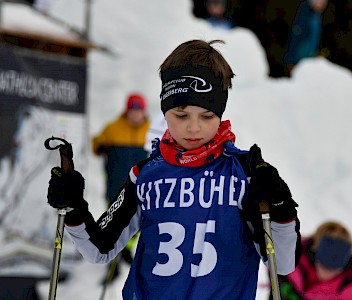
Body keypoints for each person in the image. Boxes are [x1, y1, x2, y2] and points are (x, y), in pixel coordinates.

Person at [47, 39, 301, 299]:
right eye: (181, 115)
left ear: (221, 113)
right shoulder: (144, 175)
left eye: (207, 116)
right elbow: (98, 249)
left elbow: (282, 263)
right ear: (164, 111)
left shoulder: (244, 174)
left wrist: (280, 206)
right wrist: (74, 207)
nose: (193, 128)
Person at [92, 93, 150, 282]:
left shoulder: (150, 131)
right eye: (132, 110)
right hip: (116, 185)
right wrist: (99, 147)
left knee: (137, 220)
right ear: (127, 111)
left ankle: (126, 248)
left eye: (138, 110)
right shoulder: (113, 128)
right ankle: (113, 261)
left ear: (143, 111)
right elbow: (96, 142)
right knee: (114, 222)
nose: (135, 114)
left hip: (139, 186)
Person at [279, 221, 352, 299]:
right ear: (314, 252)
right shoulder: (293, 256)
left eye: (336, 266)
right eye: (324, 264)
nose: (328, 272)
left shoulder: (347, 287)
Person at [284, 0, 328, 74]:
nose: (322, 5)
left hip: (309, 61)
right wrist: (291, 60)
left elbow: (314, 39)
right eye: (320, 2)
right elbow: (295, 38)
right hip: (298, 61)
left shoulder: (316, 16)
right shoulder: (303, 16)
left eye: (324, 3)